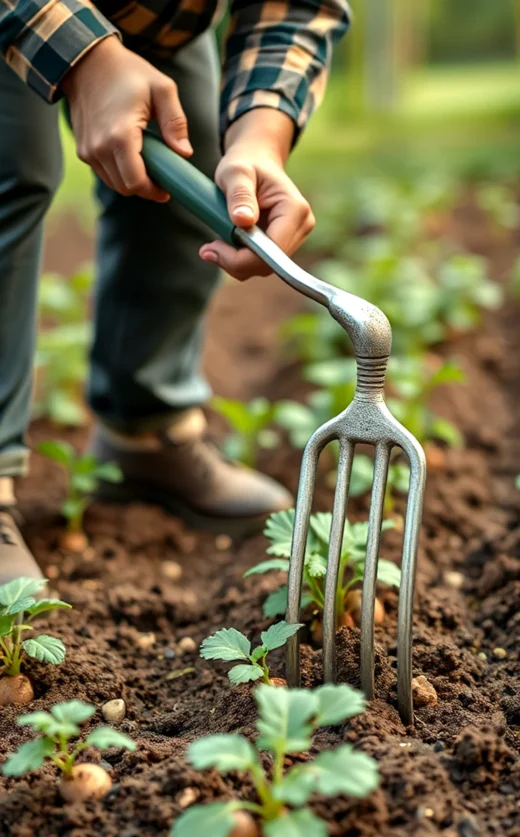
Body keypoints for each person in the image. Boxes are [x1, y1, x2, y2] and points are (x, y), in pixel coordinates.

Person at [0, 0, 350, 583]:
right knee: (15, 168)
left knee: (198, 154)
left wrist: (261, 138)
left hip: (157, 13)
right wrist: (85, 57)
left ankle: (144, 431)